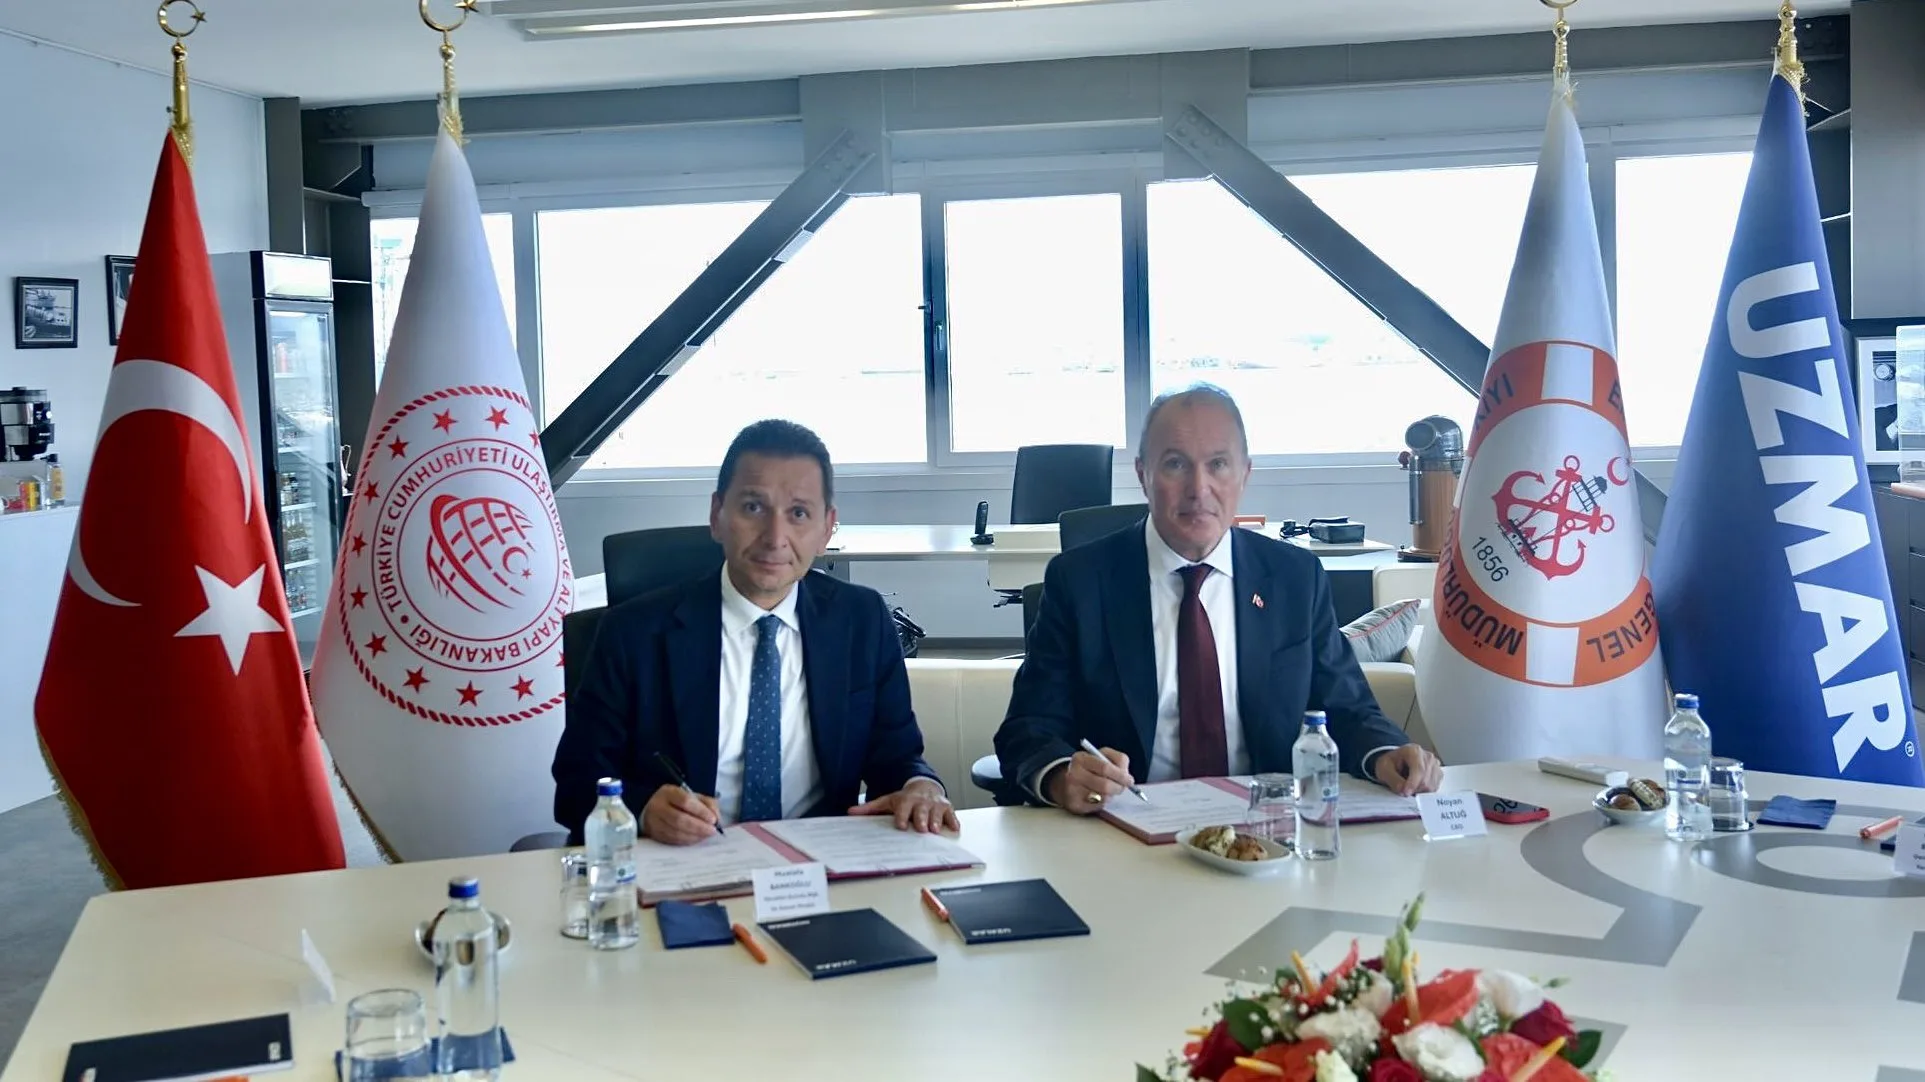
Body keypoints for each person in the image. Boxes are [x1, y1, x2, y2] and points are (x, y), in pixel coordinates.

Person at [995, 384, 1443, 812]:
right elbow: (1029, 728)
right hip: (1126, 826)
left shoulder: (1294, 578)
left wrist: (1387, 752)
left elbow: (1347, 707)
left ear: (1244, 475)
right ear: (1143, 475)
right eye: (1175, 464)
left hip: (1267, 829)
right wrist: (1061, 776)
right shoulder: (1080, 581)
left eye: (1218, 464)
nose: (1199, 488)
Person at [553, 419, 957, 845]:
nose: (774, 537)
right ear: (717, 516)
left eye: (798, 513)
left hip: (820, 859)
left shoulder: (862, 620)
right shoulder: (632, 633)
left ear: (826, 529)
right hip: (688, 860)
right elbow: (576, 784)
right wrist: (643, 809)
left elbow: (898, 757)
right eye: (752, 508)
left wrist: (920, 785)